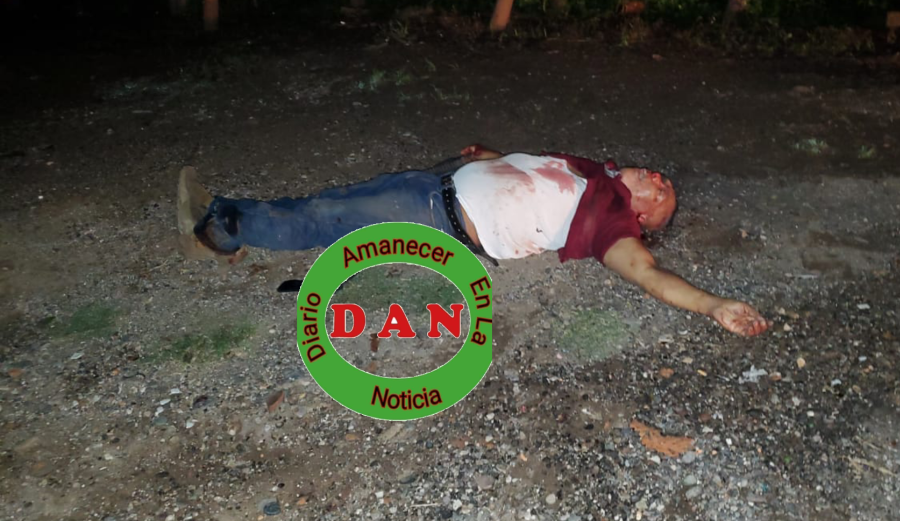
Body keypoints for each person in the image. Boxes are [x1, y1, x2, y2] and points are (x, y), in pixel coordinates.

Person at [177, 145, 770, 337]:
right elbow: (530, 167)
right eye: (662, 178)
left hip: (439, 216)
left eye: (662, 194)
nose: (659, 179)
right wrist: (490, 156)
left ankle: (219, 227)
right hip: (432, 184)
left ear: (642, 219)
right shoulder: (594, 172)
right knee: (335, 201)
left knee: (326, 216)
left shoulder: (612, 221)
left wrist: (713, 304)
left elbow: (647, 274)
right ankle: (232, 219)